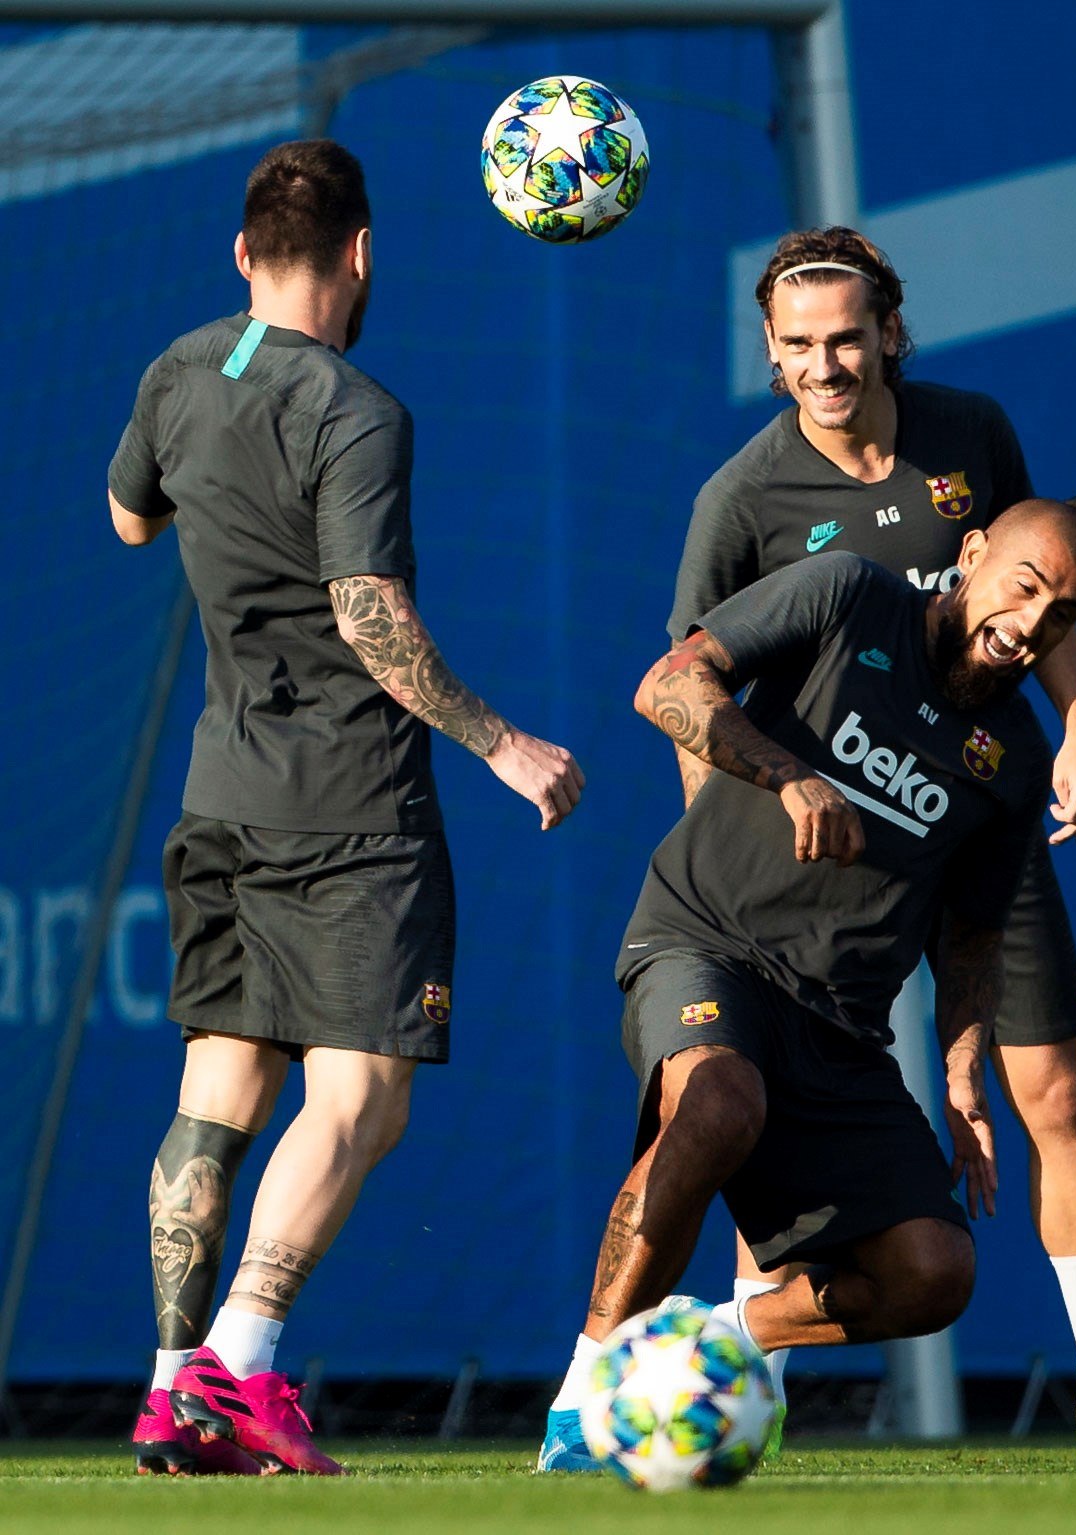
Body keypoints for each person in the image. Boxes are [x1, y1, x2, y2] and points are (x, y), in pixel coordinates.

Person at [663, 226, 1076, 1464]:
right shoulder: (740, 497)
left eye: (846, 338)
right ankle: (752, 1376)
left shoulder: (972, 433)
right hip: (819, 859)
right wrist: (730, 860)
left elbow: (1033, 580)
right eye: (798, 347)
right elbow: (695, 691)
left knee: (1052, 1090)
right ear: (773, 355)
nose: (825, 365)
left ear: (890, 330)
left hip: (974, 815)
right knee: (778, 1113)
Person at [109, 139, 584, 1476]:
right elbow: (365, 608)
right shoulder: (355, 408)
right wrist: (500, 743)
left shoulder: (177, 370)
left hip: (221, 793)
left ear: (241, 253)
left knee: (218, 1088)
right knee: (361, 1091)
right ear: (362, 251)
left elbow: (128, 519)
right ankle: (240, 1367)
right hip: (350, 808)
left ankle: (165, 1385)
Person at [538, 497, 1076, 1472]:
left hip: (839, 1027)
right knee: (716, 1101)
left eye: (1060, 613)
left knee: (934, 1271)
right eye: (1023, 585)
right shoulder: (848, 592)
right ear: (971, 556)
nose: (1030, 624)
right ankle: (583, 1400)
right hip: (706, 939)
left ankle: (721, 1336)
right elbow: (671, 685)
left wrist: (965, 1068)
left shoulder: (1010, 753)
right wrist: (787, 776)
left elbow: (970, 930)